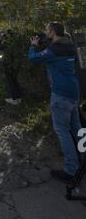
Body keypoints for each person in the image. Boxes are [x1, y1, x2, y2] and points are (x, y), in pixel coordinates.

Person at [29, 22, 81, 184]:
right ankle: (83, 159)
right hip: (74, 91)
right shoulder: (69, 46)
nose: (45, 32)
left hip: (61, 94)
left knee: (63, 131)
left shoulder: (54, 50)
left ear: (52, 32)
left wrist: (33, 46)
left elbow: (34, 58)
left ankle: (71, 170)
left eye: (47, 30)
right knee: (77, 128)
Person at [0, 29, 22, 105]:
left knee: (11, 81)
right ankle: (18, 98)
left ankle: (14, 98)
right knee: (15, 80)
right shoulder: (16, 41)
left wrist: (0, 39)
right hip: (15, 64)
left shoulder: (7, 42)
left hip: (8, 64)